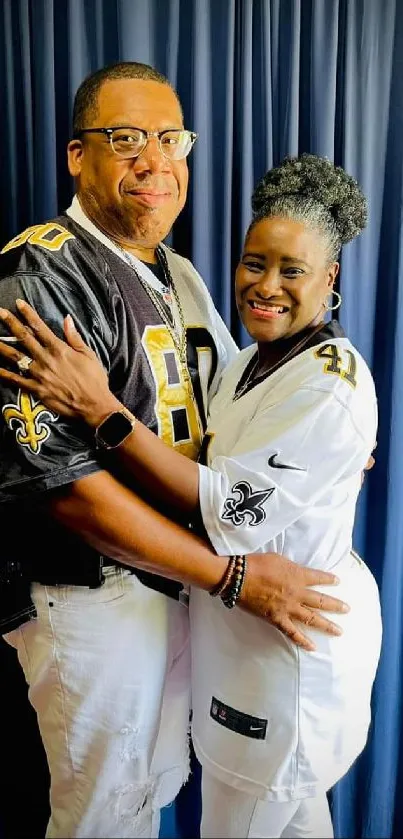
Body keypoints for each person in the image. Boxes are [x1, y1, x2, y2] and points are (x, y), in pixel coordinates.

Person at [0, 64, 347, 838]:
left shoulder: (177, 274)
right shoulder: (39, 272)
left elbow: (238, 406)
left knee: (151, 790)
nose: (155, 160)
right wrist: (232, 578)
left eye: (170, 139)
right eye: (125, 139)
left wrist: (329, 430)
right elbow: (66, 490)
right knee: (104, 812)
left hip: (179, 584)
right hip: (93, 594)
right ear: (76, 157)